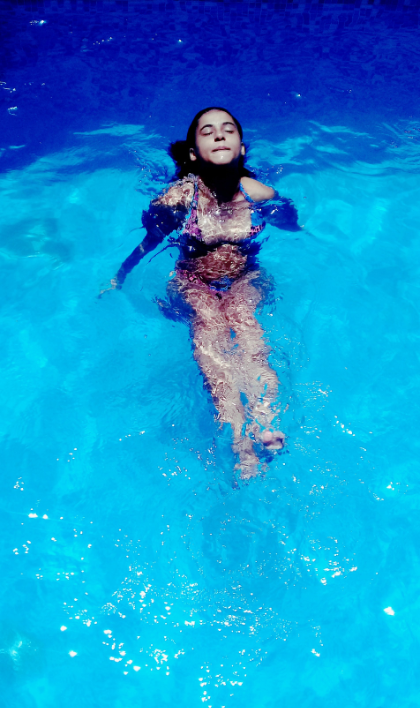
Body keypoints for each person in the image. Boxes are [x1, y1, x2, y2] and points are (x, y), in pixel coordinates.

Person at [110, 107, 300, 479]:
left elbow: (292, 225)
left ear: (241, 148)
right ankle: (237, 434)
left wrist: (285, 212)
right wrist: (120, 275)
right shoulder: (182, 195)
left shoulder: (257, 192)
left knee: (247, 325)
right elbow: (150, 241)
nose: (219, 134)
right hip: (194, 280)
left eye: (227, 129)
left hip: (244, 277)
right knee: (209, 327)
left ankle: (265, 420)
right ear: (194, 154)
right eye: (208, 131)